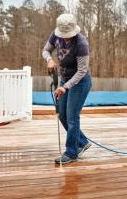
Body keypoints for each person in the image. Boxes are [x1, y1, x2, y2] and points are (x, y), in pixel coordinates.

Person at [42, 13, 92, 164]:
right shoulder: (55, 36)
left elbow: (82, 71)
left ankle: (71, 153)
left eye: (67, 35)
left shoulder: (81, 44)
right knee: (62, 115)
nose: (65, 38)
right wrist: (49, 60)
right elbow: (45, 50)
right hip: (64, 80)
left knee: (71, 116)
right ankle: (82, 142)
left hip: (80, 82)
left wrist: (65, 87)